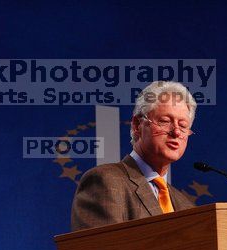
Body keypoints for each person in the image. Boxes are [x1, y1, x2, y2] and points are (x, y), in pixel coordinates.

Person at [71, 81, 197, 231]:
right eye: (164, 121)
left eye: (183, 126)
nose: (176, 132)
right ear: (137, 125)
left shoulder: (186, 206)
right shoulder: (106, 181)